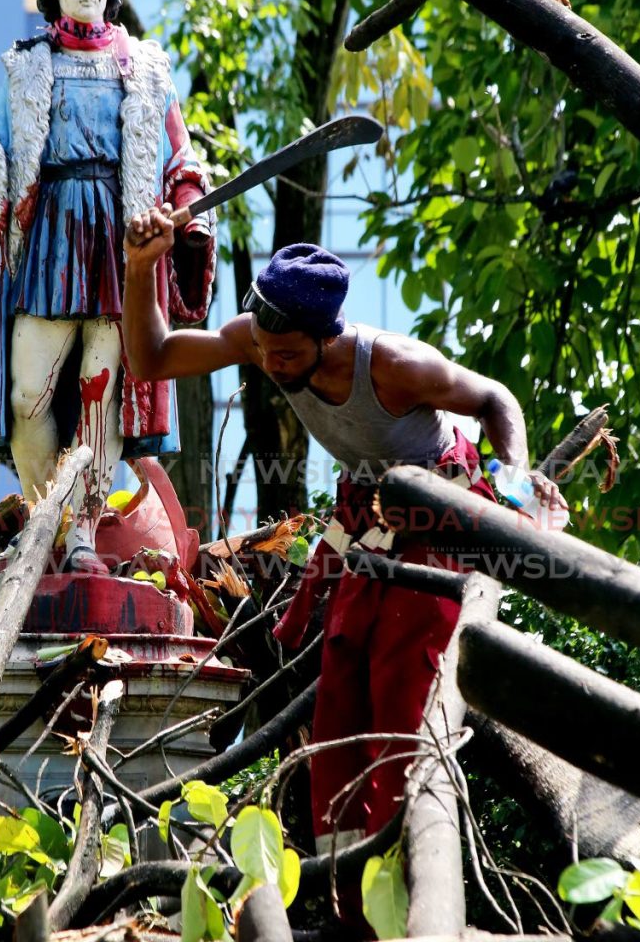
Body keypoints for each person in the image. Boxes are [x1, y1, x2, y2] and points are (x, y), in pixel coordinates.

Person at [122, 204, 567, 859]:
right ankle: (345, 874)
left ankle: (404, 857)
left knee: (399, 679)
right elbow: (152, 358)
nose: (272, 364)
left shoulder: (393, 365)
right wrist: (140, 268)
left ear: (325, 337)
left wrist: (517, 487)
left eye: (289, 354)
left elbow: (495, 399)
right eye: (265, 351)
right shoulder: (258, 339)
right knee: (342, 666)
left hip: (436, 507)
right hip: (366, 510)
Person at [0, 0, 216, 573]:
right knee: (28, 397)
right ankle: (44, 519)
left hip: (120, 251)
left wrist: (186, 199)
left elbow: (181, 158)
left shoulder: (147, 69)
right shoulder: (27, 65)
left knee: (102, 397)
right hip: (48, 242)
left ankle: (82, 536)